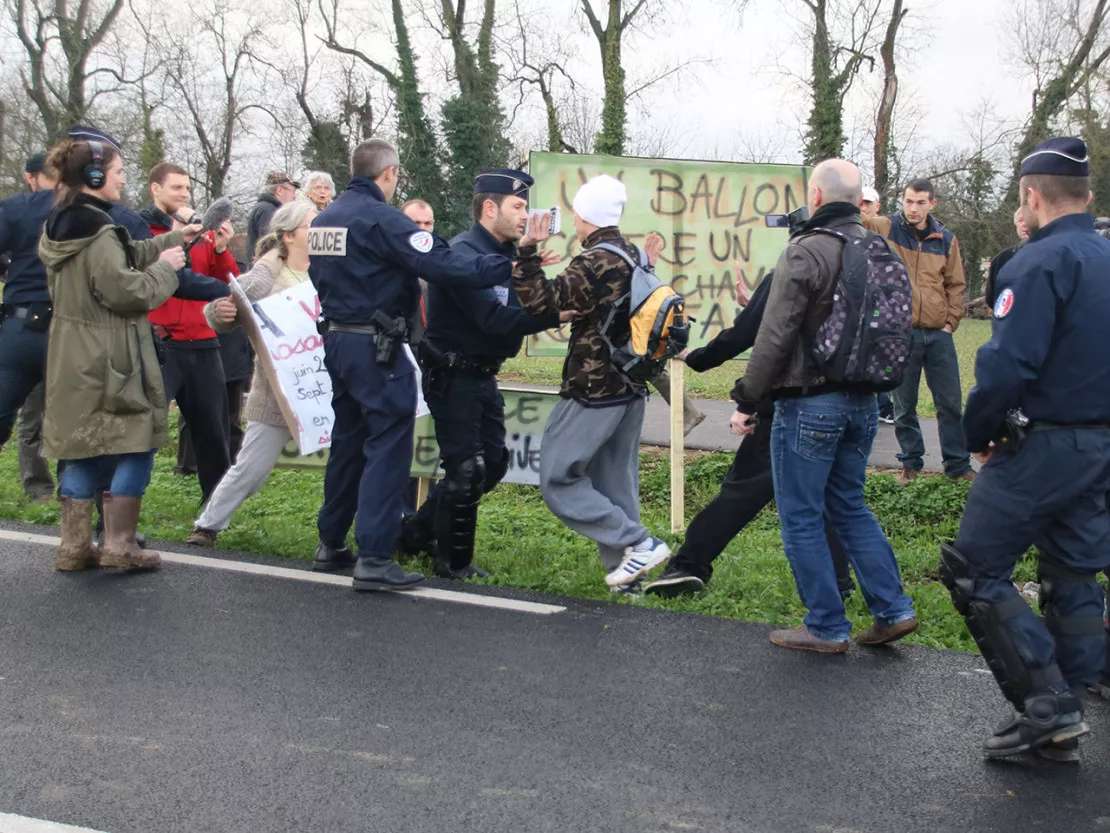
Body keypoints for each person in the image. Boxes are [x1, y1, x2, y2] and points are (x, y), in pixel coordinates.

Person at [940, 137, 1110, 764]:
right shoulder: (1105, 256)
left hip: (1042, 443)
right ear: (1087, 196)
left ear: (1031, 197)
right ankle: (1077, 684)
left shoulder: (1036, 264)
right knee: (1072, 568)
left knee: (975, 567)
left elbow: (1007, 365)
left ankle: (1048, 707)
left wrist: (976, 436)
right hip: (1099, 444)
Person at [310, 138, 544, 589]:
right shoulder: (383, 219)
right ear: (390, 174)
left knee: (349, 442)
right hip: (375, 346)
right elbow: (443, 266)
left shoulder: (325, 218)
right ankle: (377, 557)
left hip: (338, 339)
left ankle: (331, 543)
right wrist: (506, 268)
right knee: (387, 445)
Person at [729, 158, 917, 653]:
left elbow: (774, 337)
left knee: (801, 516)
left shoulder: (806, 250)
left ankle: (826, 626)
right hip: (864, 403)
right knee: (850, 506)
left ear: (815, 197)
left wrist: (748, 399)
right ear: (858, 200)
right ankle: (893, 609)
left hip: (810, 403)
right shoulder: (884, 249)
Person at [37, 133, 200, 571]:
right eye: (118, 173)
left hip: (70, 351)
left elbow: (122, 253)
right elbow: (125, 291)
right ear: (94, 176)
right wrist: (167, 271)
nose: (123, 182)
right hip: (109, 351)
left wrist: (172, 240)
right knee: (135, 441)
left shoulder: (63, 223)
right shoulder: (99, 230)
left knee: (79, 445)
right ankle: (120, 544)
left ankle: (73, 547)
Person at [644, 269, 855, 600]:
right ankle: (852, 589)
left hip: (792, 403)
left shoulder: (797, 265)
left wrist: (740, 395)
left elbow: (757, 338)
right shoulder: (860, 265)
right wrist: (754, 303)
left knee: (743, 490)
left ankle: (689, 564)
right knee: (827, 496)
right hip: (847, 404)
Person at [400, 170, 565, 579]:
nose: (526, 215)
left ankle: (414, 535)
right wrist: (554, 315)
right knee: (467, 468)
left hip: (482, 376)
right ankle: (452, 562)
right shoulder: (463, 254)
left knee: (492, 463)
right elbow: (492, 318)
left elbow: (521, 301)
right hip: (453, 375)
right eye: (518, 207)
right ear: (489, 208)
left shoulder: (508, 253)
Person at [512, 174, 671, 590]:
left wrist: (526, 253)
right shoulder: (632, 253)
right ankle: (630, 578)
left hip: (593, 387)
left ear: (584, 215)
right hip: (631, 386)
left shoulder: (595, 260)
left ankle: (639, 542)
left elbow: (541, 303)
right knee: (617, 485)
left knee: (557, 477)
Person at [185, 201, 318, 547]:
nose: (320, 230)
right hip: (277, 391)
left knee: (359, 463)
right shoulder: (266, 273)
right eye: (311, 225)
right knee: (252, 469)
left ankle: (359, 538)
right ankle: (207, 526)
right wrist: (220, 312)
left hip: (326, 389)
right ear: (289, 235)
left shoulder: (330, 267)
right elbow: (228, 304)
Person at [864, 178, 974, 484]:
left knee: (950, 403)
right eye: (909, 201)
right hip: (901, 333)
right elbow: (857, 221)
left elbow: (956, 284)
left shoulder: (946, 239)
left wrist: (952, 321)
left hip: (939, 334)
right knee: (904, 405)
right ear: (902, 200)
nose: (913, 208)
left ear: (932, 204)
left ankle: (957, 464)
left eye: (920, 203)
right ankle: (910, 463)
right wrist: (861, 201)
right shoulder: (887, 228)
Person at [141, 163, 237, 504]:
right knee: (144, 430)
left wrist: (223, 250)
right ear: (155, 189)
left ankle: (215, 510)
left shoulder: (206, 236)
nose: (184, 194)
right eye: (176, 188)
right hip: (161, 345)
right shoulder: (144, 231)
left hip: (204, 344)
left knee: (213, 432)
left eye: (187, 189)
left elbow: (229, 285)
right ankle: (122, 503)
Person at [0, 151, 59, 501]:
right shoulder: (91, 211)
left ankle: (41, 492)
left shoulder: (19, 208)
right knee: (70, 417)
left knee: (23, 415)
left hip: (25, 324)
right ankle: (70, 495)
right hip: (66, 328)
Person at [247, 171, 299, 265]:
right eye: (292, 191)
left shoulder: (263, 207)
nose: (294, 196)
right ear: (279, 190)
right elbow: (268, 243)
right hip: (266, 269)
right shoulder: (269, 210)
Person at [984, 208, 1029, 309]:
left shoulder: (1051, 255)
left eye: (1028, 220)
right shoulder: (1002, 258)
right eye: (1021, 220)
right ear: (1016, 225)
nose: (1024, 224)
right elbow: (991, 297)